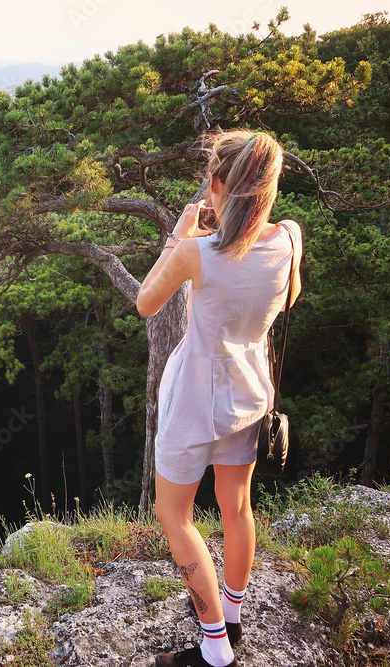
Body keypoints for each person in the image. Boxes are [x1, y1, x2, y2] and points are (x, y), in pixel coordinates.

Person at [136, 129, 302, 667]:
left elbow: (145, 302)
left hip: (195, 398)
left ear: (216, 185)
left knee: (175, 517)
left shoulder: (195, 253)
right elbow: (289, 296)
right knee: (236, 507)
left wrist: (178, 236)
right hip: (250, 389)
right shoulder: (290, 239)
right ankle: (231, 614)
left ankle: (215, 652)